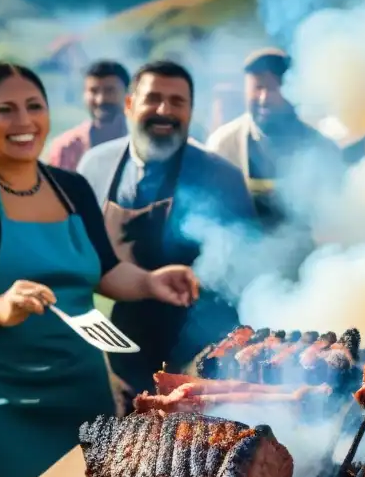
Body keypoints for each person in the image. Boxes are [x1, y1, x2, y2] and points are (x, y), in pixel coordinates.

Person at [0, 63, 200, 477]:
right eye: (4, 109)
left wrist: (149, 282)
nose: (24, 121)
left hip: (82, 400)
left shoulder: (72, 189)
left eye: (34, 106)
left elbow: (105, 271)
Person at [78, 60, 256, 397]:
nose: (165, 110)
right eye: (153, 98)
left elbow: (247, 271)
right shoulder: (95, 166)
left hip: (199, 352)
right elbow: (80, 256)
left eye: (177, 102)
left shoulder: (221, 176)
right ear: (130, 104)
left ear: (190, 110)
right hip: (120, 345)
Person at [206, 48, 345, 230]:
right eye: (258, 87)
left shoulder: (322, 150)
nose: (264, 98)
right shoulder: (223, 146)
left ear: (294, 91)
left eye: (273, 89)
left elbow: (336, 222)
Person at [47, 60, 130, 171]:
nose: (101, 100)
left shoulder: (142, 143)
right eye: (93, 91)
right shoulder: (67, 147)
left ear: (128, 95)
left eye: (110, 91)